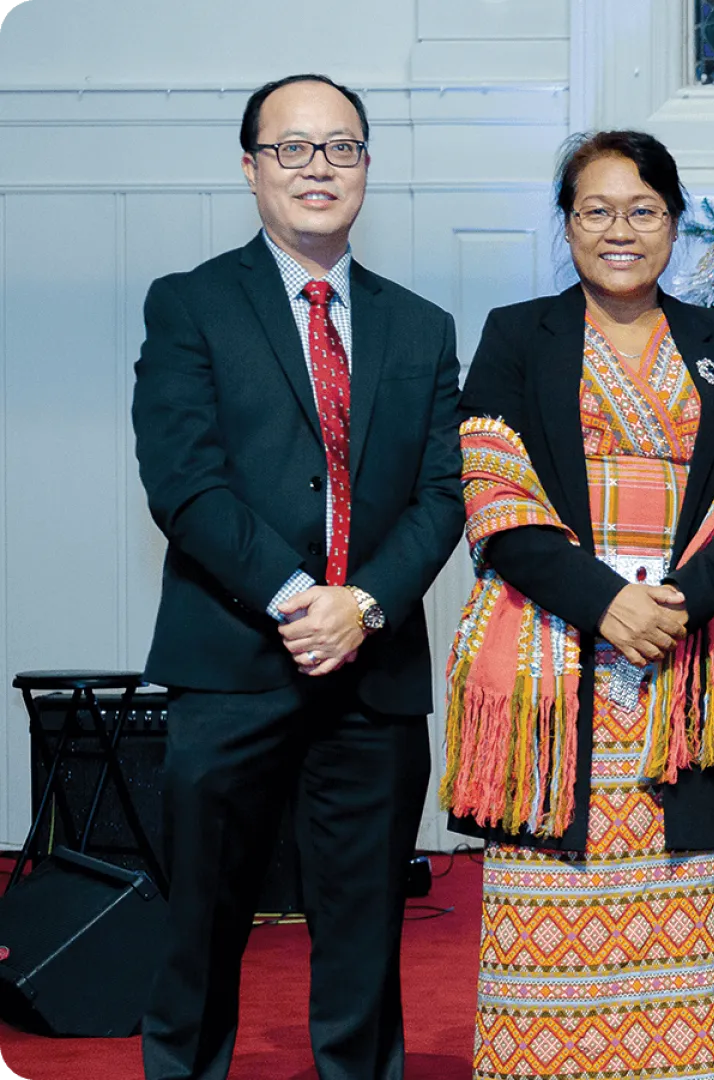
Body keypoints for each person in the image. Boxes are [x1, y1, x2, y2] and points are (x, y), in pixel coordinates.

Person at [131, 74, 463, 1080]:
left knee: (364, 937)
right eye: (293, 148)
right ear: (251, 167)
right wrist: (296, 600)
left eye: (341, 148)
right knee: (200, 930)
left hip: (374, 674)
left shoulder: (422, 326)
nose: (319, 168)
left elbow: (444, 494)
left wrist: (361, 606)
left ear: (366, 165)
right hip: (230, 666)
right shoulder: (191, 304)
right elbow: (183, 482)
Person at [445, 130, 714, 1080]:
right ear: (567, 225)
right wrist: (606, 605)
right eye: (595, 211)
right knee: (540, 933)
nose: (620, 230)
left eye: (643, 210)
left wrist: (675, 605)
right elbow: (494, 493)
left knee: (677, 933)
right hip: (554, 667)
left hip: (678, 668)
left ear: (674, 222)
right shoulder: (518, 335)